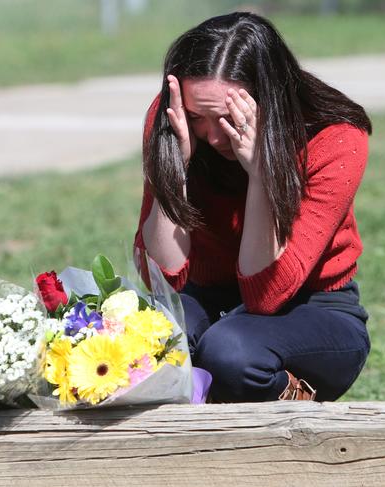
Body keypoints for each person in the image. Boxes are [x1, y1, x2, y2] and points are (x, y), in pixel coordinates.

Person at [134, 12, 372, 402]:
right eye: (198, 118)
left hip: (312, 306)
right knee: (153, 336)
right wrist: (172, 166)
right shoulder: (174, 120)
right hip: (207, 294)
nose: (210, 135)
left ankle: (295, 404)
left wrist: (261, 173)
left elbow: (266, 296)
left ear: (270, 99)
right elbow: (162, 278)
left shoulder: (335, 138)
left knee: (230, 352)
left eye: (226, 118)